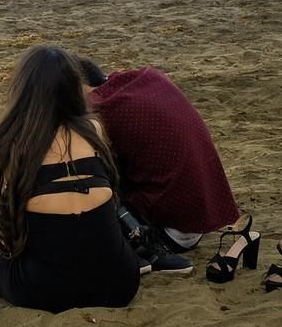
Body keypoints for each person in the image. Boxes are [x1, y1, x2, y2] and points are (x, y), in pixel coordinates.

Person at [0, 45, 140, 313]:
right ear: (73, 89)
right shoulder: (93, 129)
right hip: (118, 282)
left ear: (22, 91)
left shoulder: (6, 139)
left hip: (44, 290)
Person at [77, 57, 241, 252]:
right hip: (199, 219)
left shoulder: (104, 109)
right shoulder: (147, 79)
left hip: (168, 232)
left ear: (81, 88)